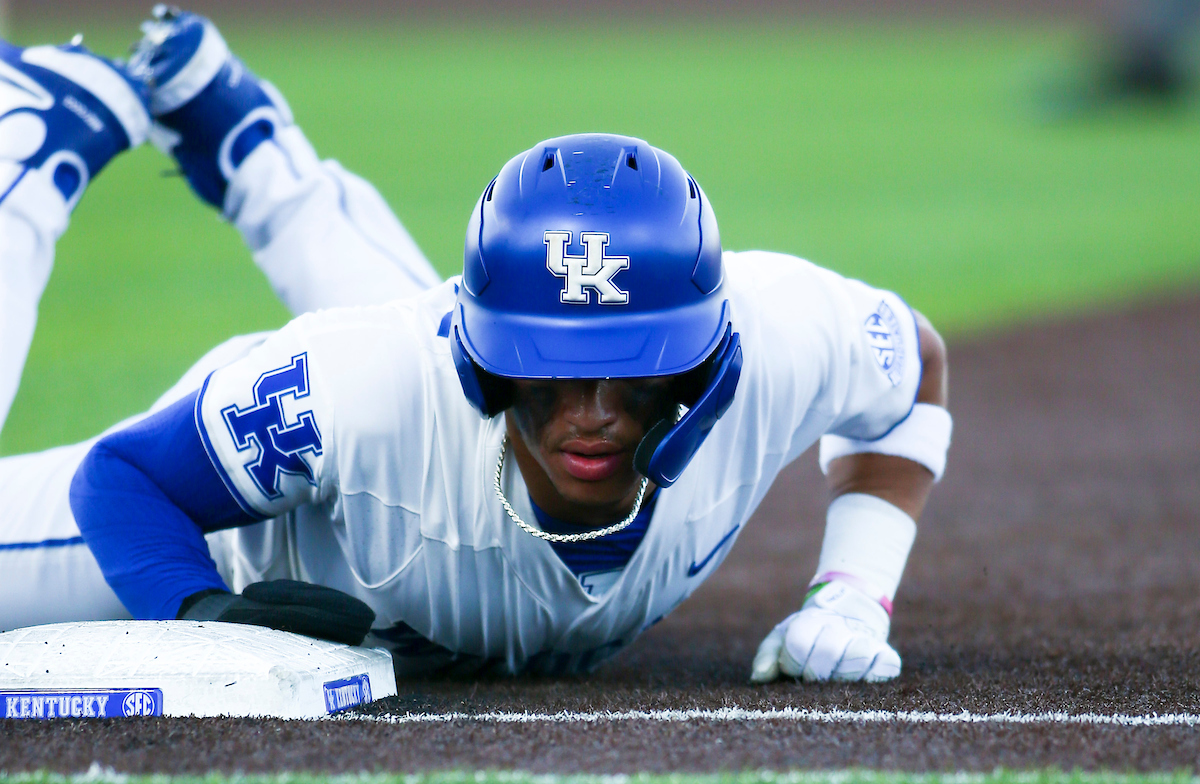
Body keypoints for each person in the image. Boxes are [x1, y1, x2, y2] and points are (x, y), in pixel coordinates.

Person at [0, 7, 951, 682]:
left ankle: (244, 138)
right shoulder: (356, 393)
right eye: (548, 371)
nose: (593, 416)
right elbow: (125, 478)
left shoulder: (785, 334)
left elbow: (915, 369)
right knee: (380, 386)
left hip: (397, 454)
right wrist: (200, 619)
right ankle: (36, 141)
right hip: (257, 532)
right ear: (486, 356)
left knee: (394, 375)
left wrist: (852, 597)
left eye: (636, 370)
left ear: (707, 355)